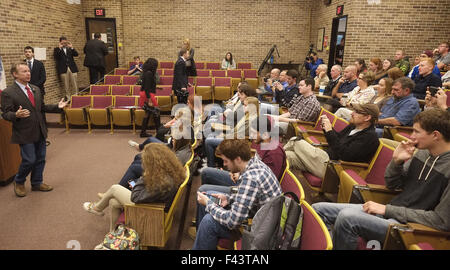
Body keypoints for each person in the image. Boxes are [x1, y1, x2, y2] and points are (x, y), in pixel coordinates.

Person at [312, 108, 450, 250]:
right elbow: (392, 184)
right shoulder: (422, 153)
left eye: (416, 132)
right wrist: (396, 162)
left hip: (410, 227)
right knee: (318, 209)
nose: (411, 136)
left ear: (435, 135)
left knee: (347, 218)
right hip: (392, 212)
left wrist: (387, 210)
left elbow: (440, 220)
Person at [192, 139, 282, 250]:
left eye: (226, 161)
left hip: (259, 233)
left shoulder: (250, 179)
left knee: (208, 221)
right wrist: (228, 198)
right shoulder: (254, 163)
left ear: (238, 159)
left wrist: (209, 204)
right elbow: (249, 196)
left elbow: (232, 221)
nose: (224, 165)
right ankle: (202, 242)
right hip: (259, 216)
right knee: (209, 194)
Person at [83, 143, 186, 231]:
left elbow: (136, 197)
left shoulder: (163, 182)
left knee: (115, 188)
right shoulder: (170, 171)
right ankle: (112, 233)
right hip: (154, 203)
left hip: (153, 211)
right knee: (113, 202)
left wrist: (144, 176)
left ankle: (97, 208)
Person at [0, 63, 68, 197]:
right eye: (24, 71)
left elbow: (41, 107)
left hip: (40, 129)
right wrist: (15, 115)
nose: (28, 73)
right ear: (15, 74)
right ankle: (19, 181)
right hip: (24, 131)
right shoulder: (9, 92)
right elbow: (5, 114)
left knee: (41, 158)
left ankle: (37, 182)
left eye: (28, 71)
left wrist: (57, 107)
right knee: (29, 160)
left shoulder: (35, 88)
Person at [284, 103, 380, 179]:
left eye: (357, 112)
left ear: (367, 118)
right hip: (323, 159)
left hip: (333, 168)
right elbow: (337, 139)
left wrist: (330, 131)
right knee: (287, 156)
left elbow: (344, 155)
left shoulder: (370, 137)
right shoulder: (353, 126)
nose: (351, 113)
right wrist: (327, 129)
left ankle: (272, 154)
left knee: (295, 140)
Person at [138, 58, 160, 137]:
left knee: (147, 113)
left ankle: (143, 132)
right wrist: (149, 100)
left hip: (146, 93)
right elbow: (147, 87)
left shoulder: (146, 72)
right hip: (148, 95)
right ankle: (159, 132)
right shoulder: (149, 73)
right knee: (156, 111)